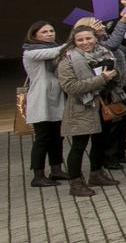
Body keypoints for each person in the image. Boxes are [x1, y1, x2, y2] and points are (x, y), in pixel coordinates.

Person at [57, 25, 123, 197]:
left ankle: (96, 174)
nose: (85, 42)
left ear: (95, 38)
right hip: (82, 107)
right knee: (79, 146)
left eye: (88, 38)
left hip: (103, 104)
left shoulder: (104, 53)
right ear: (74, 41)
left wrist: (114, 74)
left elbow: (116, 75)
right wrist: (102, 78)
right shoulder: (68, 59)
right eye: (80, 40)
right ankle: (75, 183)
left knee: (100, 141)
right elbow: (71, 87)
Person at [22, 21, 72, 187]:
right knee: (42, 138)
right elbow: (56, 52)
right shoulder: (30, 51)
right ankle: (38, 175)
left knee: (58, 136)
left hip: (57, 97)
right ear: (34, 35)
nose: (50, 34)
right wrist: (74, 38)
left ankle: (56, 169)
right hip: (41, 100)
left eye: (51, 30)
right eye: (44, 32)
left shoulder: (55, 48)